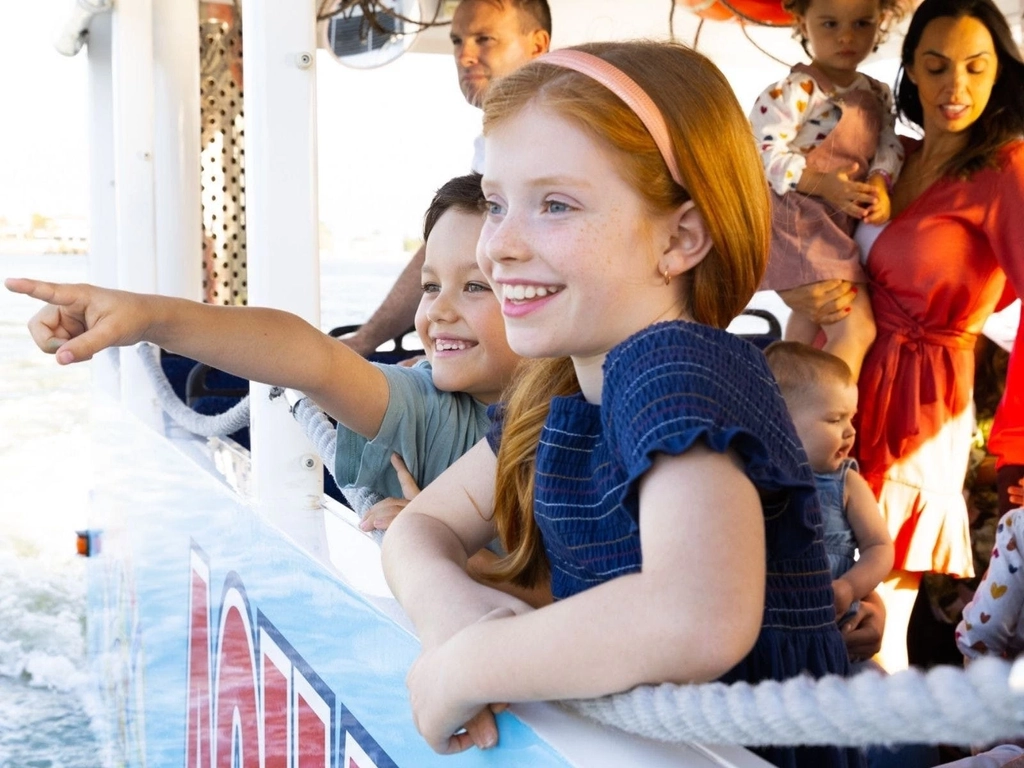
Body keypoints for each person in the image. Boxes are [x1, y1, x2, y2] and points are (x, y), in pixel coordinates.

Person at [380, 41, 863, 767]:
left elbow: (696, 617)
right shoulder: (564, 386)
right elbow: (419, 528)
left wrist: (471, 664)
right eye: (496, 203)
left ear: (682, 238)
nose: (499, 246)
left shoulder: (673, 365)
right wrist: (455, 613)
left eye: (555, 205)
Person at [4, 173, 521, 508]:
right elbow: (310, 359)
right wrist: (146, 317)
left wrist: (447, 547)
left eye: (476, 286)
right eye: (430, 287)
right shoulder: (432, 408)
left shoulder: (586, 409)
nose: (438, 311)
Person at [777, 0, 1024, 672]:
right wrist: (793, 286)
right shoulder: (888, 154)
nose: (956, 87)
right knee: (805, 593)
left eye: (977, 68)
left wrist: (1019, 438)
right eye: (937, 66)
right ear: (909, 69)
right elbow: (793, 216)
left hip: (922, 399)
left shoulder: (1006, 169)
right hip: (834, 385)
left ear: (1000, 73)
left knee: (875, 617)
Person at [342, 0, 551, 358]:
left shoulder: (551, 136)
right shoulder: (496, 141)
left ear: (537, 44)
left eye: (484, 39)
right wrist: (365, 341)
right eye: (457, 41)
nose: (464, 55)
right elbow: (450, 249)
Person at [749, 0, 904, 381]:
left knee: (805, 327)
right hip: (799, 219)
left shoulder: (876, 92)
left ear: (881, 22)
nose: (847, 37)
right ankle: (830, 414)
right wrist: (823, 185)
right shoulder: (797, 89)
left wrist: (880, 183)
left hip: (834, 220)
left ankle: (783, 409)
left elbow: (889, 144)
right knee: (856, 327)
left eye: (862, 23)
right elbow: (760, 152)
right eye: (830, 24)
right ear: (803, 22)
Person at [765, 342, 894, 623]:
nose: (850, 431)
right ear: (782, 421)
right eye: (836, 419)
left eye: (852, 418)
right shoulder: (757, 478)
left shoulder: (846, 483)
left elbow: (880, 547)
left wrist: (850, 587)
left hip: (833, 622)